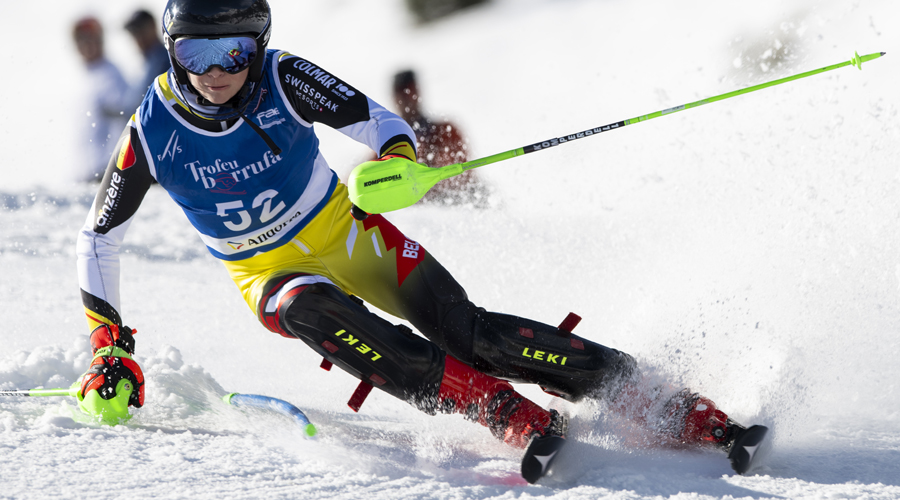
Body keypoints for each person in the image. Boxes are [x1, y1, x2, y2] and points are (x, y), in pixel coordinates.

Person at [75, 0, 753, 481]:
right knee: (315, 313)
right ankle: (500, 411)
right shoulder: (150, 132)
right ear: (173, 49)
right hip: (268, 272)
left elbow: (373, 122)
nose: (215, 70)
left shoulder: (283, 77)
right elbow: (99, 238)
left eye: (234, 52)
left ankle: (663, 401)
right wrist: (109, 343)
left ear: (256, 47)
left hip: (345, 232)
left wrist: (396, 162)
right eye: (195, 52)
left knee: (469, 331)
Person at [392, 69, 487, 206]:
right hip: (413, 206)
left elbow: (464, 175)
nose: (406, 99)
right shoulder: (389, 140)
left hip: (449, 199)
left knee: (480, 192)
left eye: (410, 91)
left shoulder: (444, 131)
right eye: (401, 93)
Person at [72, 16, 129, 182]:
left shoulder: (112, 76)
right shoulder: (82, 77)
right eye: (82, 39)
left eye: (92, 38)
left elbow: (125, 117)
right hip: (84, 173)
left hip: (105, 171)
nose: (87, 45)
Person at [124, 9, 172, 108]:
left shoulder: (163, 60)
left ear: (153, 26)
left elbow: (145, 102)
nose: (138, 37)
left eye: (141, 30)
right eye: (134, 33)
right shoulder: (148, 61)